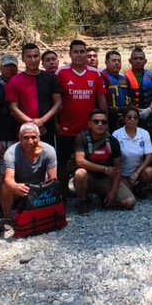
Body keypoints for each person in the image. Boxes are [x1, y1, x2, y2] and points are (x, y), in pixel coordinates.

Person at [56, 40, 108, 192]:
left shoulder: (95, 73)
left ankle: (88, 193)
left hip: (89, 130)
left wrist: (105, 123)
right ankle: (63, 194)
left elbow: (102, 100)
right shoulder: (61, 73)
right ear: (70, 54)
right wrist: (56, 124)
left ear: (86, 53)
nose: (79, 55)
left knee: (91, 162)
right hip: (67, 129)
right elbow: (55, 101)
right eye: (76, 52)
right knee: (63, 164)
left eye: (82, 52)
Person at [73, 110, 135, 214]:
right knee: (79, 173)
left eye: (103, 122)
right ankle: (83, 201)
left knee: (130, 202)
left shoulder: (113, 141)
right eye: (96, 121)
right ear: (90, 124)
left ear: (107, 125)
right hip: (89, 178)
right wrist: (104, 169)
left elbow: (118, 169)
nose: (100, 124)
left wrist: (113, 192)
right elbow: (80, 162)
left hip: (106, 179)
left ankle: (105, 198)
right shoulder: (81, 137)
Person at [0, 123, 59, 220]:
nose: (30, 141)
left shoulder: (49, 151)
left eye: (33, 137)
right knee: (6, 187)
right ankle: (7, 219)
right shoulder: (10, 153)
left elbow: (53, 179)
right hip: (20, 188)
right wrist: (15, 186)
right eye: (26, 138)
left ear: (39, 137)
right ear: (19, 138)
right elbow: (8, 179)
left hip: (40, 188)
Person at [7, 43, 63, 143]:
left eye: (35, 56)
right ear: (23, 59)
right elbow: (13, 109)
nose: (33, 60)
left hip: (48, 129)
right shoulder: (14, 81)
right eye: (29, 56)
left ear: (40, 57)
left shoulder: (50, 79)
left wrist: (42, 121)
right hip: (25, 131)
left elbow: (58, 103)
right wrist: (33, 124)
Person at [112, 107, 152, 197]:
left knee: (150, 172)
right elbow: (114, 159)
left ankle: (138, 188)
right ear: (124, 119)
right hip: (122, 174)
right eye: (129, 117)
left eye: (135, 117)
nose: (132, 120)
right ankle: (130, 188)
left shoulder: (144, 133)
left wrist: (137, 173)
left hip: (138, 172)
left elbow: (149, 157)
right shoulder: (116, 134)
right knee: (127, 195)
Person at [100, 50, 131, 128]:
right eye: (113, 60)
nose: (117, 63)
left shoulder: (125, 79)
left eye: (119, 61)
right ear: (106, 62)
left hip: (125, 117)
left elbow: (131, 97)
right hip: (108, 117)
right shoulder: (101, 78)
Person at [124, 48, 152, 119]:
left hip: (149, 115)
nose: (138, 61)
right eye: (135, 58)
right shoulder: (124, 78)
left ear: (145, 61)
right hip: (130, 117)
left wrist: (149, 109)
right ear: (130, 61)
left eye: (141, 58)